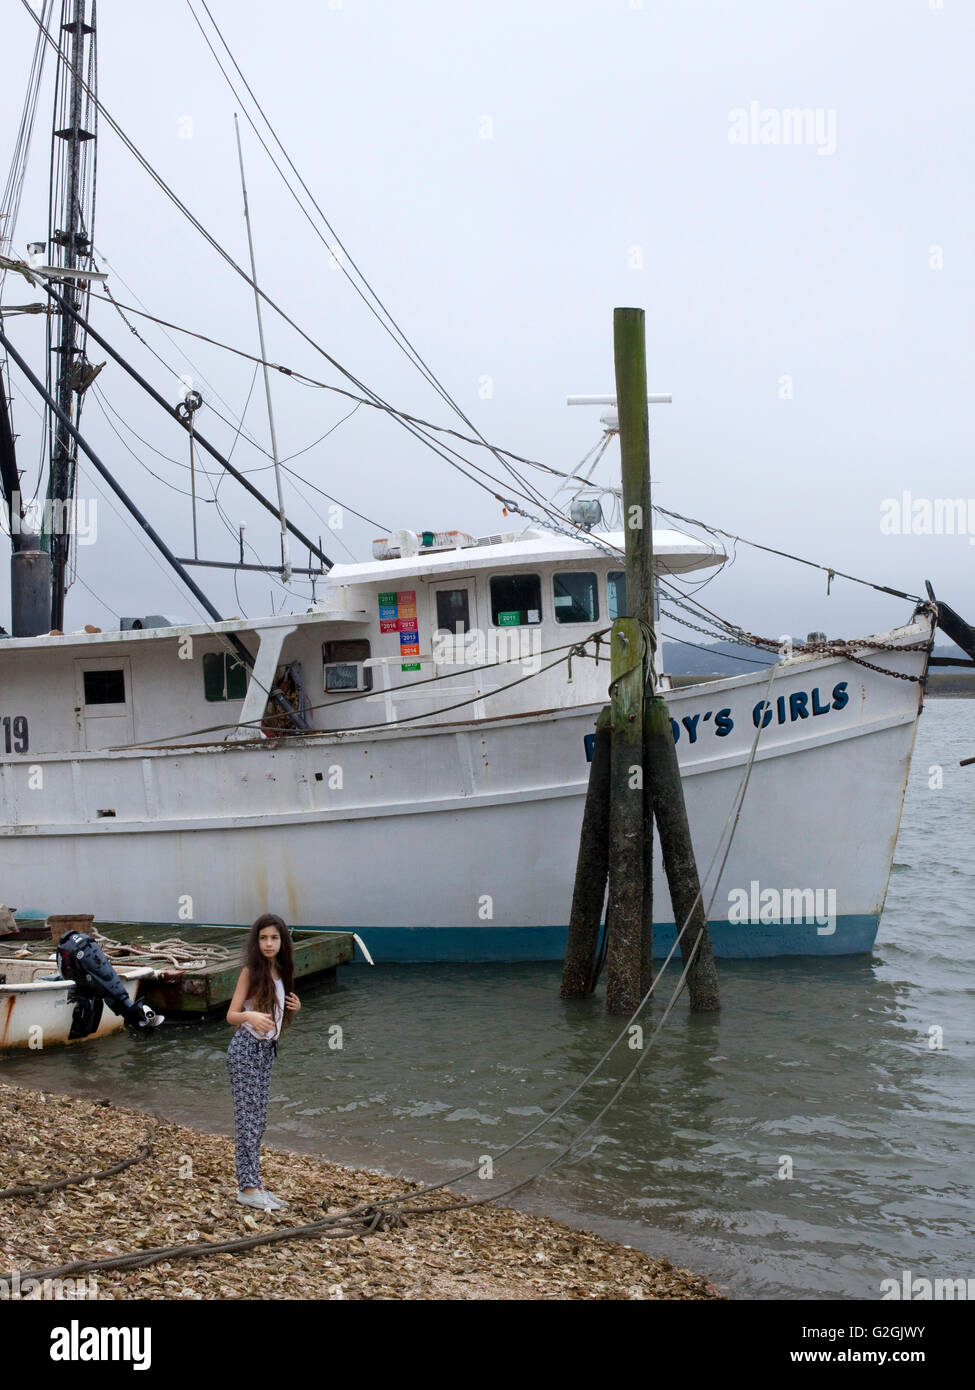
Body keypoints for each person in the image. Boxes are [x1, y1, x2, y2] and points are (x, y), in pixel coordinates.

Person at [226, 913, 301, 1210]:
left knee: (259, 1120)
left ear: (283, 942)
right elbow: (231, 1015)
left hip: (266, 1052)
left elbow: (279, 1018)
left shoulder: (281, 972)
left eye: (274, 938)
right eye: (263, 938)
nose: (269, 943)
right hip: (245, 1049)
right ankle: (247, 1187)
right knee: (247, 1120)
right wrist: (249, 1015)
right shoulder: (250, 972)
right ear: (256, 942)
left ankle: (255, 1183)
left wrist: (296, 1007)